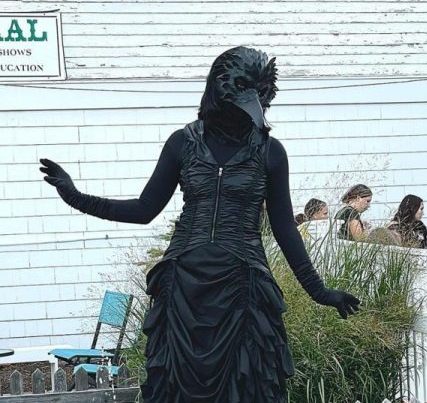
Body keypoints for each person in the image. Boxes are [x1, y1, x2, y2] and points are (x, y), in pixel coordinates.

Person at [39, 46, 360, 403]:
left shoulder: (270, 152)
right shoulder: (182, 143)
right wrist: (74, 196)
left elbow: (285, 229)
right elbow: (144, 209)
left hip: (243, 288)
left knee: (247, 388)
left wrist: (320, 291)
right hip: (183, 287)